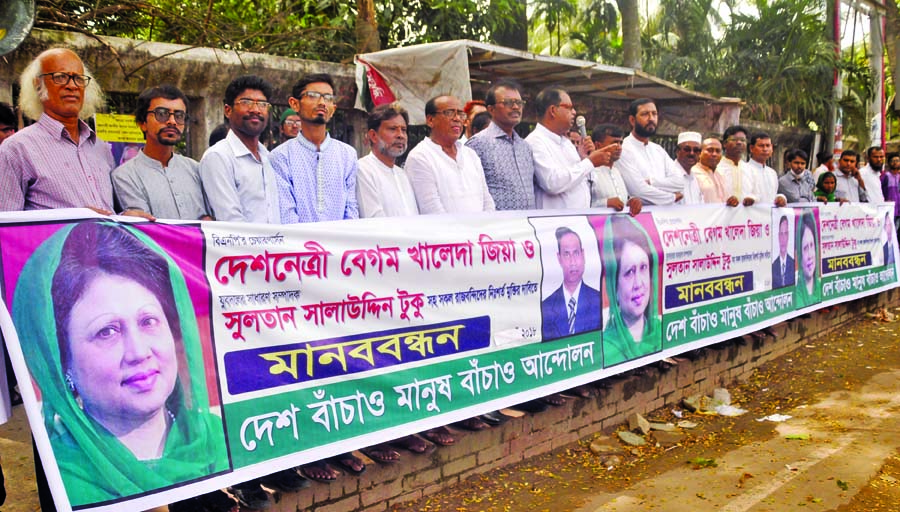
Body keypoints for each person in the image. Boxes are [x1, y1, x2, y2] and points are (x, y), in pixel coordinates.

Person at [12, 222, 229, 507]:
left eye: (148, 321)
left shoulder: (218, 440)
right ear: (63, 363)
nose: (138, 352)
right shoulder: (67, 480)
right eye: (107, 331)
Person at [0, 48, 113, 213]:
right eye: (61, 77)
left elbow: (110, 212)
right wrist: (75, 220)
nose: (72, 86)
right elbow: (7, 229)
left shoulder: (100, 148)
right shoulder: (16, 149)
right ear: (38, 85)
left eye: (78, 79)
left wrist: (129, 217)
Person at [112, 84, 210, 220]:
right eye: (162, 114)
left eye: (179, 115)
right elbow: (147, 230)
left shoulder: (196, 169)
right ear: (142, 123)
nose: (172, 121)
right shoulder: (125, 176)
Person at [270, 73, 359, 223]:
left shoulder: (347, 155)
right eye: (313, 95)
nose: (322, 102)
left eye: (328, 98)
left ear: (333, 109)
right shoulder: (280, 156)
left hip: (341, 244)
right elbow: (287, 215)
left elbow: (351, 210)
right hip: (299, 244)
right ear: (294, 104)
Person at [199, 75, 280, 224]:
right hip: (244, 246)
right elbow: (230, 220)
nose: (255, 110)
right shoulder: (219, 157)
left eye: (262, 104)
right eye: (246, 102)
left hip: (277, 246)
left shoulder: (269, 158)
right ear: (228, 110)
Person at [526, 85, 615, 209]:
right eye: (569, 108)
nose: (574, 112)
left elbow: (582, 181)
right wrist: (589, 162)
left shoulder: (566, 143)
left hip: (578, 221)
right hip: (554, 224)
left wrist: (585, 158)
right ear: (552, 110)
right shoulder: (535, 141)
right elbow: (552, 182)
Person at [406, 94, 495, 214]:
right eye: (449, 113)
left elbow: (487, 200)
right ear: (430, 120)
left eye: (460, 114)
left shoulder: (470, 154)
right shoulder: (420, 157)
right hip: (446, 231)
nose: (457, 118)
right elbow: (431, 209)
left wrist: (484, 227)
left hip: (479, 230)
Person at [465, 78, 536, 211]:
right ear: (491, 109)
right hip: (496, 227)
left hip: (526, 225)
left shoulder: (525, 146)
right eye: (508, 102)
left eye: (519, 102)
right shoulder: (477, 144)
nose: (515, 107)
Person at [602, 215, 661, 366]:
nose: (639, 284)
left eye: (643, 268)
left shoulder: (662, 331)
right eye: (629, 272)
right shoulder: (605, 348)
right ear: (614, 287)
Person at [614, 98, 684, 205]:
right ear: (632, 120)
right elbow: (638, 191)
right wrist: (672, 197)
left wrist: (652, 182)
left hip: (666, 217)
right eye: (645, 114)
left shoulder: (658, 150)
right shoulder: (624, 149)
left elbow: (680, 182)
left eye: (654, 114)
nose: (651, 118)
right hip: (639, 218)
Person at [356, 103, 418, 217]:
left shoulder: (402, 174)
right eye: (393, 129)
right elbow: (374, 221)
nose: (401, 135)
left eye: (403, 130)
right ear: (373, 136)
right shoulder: (363, 170)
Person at [540, 227, 601, 340]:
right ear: (559, 258)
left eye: (576, 253)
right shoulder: (546, 307)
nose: (573, 262)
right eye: (567, 254)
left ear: (583, 255)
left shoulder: (599, 301)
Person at [589, 124, 642, 214]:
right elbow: (578, 205)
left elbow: (622, 201)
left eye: (620, 143)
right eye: (614, 143)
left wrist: (631, 202)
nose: (619, 147)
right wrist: (605, 203)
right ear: (598, 145)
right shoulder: (589, 172)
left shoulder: (617, 171)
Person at [692, 137, 738, 206]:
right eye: (710, 150)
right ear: (699, 153)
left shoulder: (721, 174)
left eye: (718, 151)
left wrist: (731, 201)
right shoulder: (693, 174)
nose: (714, 154)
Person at [717, 125, 755, 206]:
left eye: (743, 140)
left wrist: (751, 198)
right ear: (724, 144)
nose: (739, 143)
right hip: (722, 215)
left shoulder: (750, 169)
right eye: (734, 140)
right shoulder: (716, 167)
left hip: (745, 215)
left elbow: (756, 194)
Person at [747, 132, 787, 207]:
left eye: (768, 146)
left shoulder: (772, 173)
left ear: (772, 148)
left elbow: (771, 197)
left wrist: (780, 198)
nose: (765, 149)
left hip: (769, 215)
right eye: (761, 146)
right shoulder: (745, 170)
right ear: (751, 148)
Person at [795, 211, 820, 308]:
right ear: (799, 254)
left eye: (812, 245)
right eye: (805, 248)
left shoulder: (823, 287)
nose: (810, 255)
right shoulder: (796, 297)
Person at [673, 131, 704, 205]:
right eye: (687, 149)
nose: (692, 153)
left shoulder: (694, 178)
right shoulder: (669, 174)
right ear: (677, 151)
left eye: (696, 150)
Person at [771, 215, 795, 289]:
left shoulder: (793, 263)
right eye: (781, 234)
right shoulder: (773, 266)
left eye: (785, 234)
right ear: (778, 236)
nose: (783, 238)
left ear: (788, 236)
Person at [882, 152, 900, 231]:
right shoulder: (886, 176)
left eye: (897, 160)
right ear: (889, 163)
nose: (895, 162)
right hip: (890, 208)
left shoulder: (899, 176)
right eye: (893, 161)